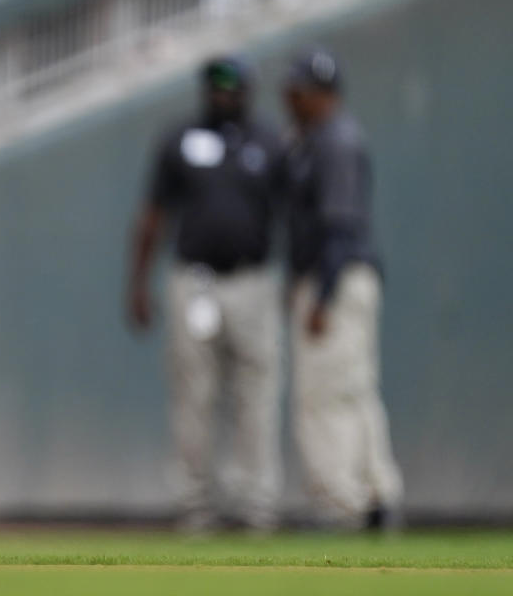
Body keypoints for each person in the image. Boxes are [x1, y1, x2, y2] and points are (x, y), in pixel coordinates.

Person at [129, 56, 283, 531]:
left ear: (248, 91)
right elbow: (153, 216)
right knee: (194, 394)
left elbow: (293, 213)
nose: (223, 94)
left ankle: (257, 506)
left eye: (232, 87)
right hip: (194, 281)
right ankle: (195, 506)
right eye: (215, 86)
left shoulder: (268, 142)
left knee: (255, 393)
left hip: (252, 280)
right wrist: (138, 282)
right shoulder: (180, 139)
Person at [281, 48, 402, 529]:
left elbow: (339, 225)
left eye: (298, 90)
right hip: (343, 277)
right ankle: (375, 497)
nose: (289, 98)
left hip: (336, 277)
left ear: (321, 94)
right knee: (353, 391)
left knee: (325, 396)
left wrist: (322, 296)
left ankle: (341, 504)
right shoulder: (317, 139)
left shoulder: (335, 142)